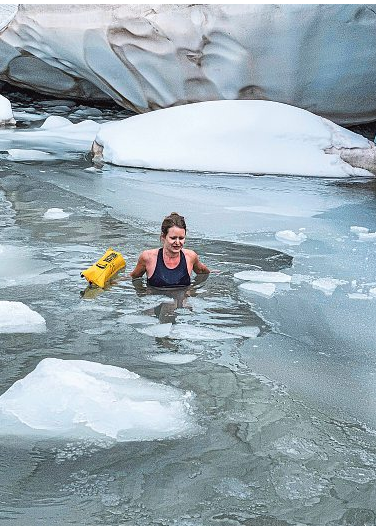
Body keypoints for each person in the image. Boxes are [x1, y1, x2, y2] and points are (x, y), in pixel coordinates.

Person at [130, 212, 211, 288]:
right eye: (173, 238)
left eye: (181, 238)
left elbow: (203, 272)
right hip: (155, 300)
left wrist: (193, 290)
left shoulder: (190, 256)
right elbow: (134, 278)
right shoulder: (147, 257)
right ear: (163, 237)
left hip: (181, 301)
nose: (178, 242)